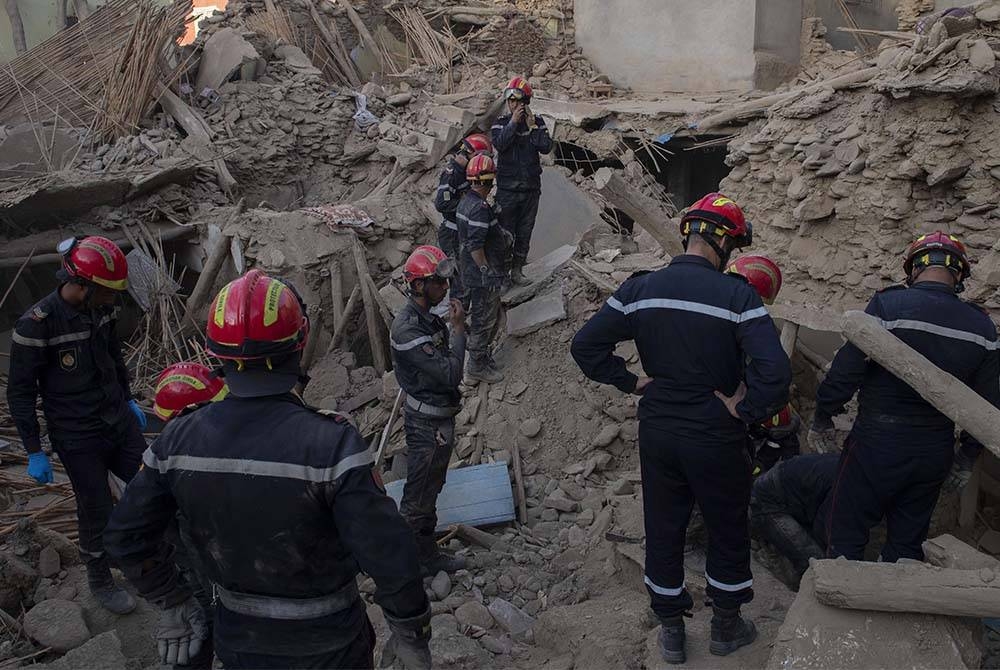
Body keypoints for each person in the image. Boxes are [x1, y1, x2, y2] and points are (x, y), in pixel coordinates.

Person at [104, 270, 431, 670]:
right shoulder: (331, 444)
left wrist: (172, 601)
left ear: (216, 355)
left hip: (240, 643)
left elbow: (124, 538)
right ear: (299, 344)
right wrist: (410, 631)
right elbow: (389, 551)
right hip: (329, 646)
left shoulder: (176, 440)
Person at [571, 194, 790, 664]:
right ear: (726, 243)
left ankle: (671, 631)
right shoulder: (738, 297)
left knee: (663, 525)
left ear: (689, 233)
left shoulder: (641, 288)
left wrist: (631, 382)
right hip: (715, 433)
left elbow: (585, 346)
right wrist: (745, 409)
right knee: (726, 526)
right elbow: (775, 373)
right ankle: (726, 627)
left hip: (659, 430)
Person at [810, 231, 1000, 563]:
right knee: (906, 545)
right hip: (934, 451)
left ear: (914, 268)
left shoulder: (888, 305)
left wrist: (823, 416)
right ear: (959, 274)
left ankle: (840, 594)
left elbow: (845, 372)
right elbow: (987, 402)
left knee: (844, 533)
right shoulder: (981, 327)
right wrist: (967, 457)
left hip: (876, 443)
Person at [7, 235, 145, 615]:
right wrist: (33, 449)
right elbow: (20, 393)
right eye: (107, 290)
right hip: (77, 435)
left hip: (117, 422)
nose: (112, 298)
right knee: (95, 508)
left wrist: (128, 397)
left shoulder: (102, 310)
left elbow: (114, 357)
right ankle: (100, 578)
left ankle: (141, 556)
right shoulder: (36, 325)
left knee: (151, 483)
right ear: (82, 285)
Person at [390, 246, 468, 574]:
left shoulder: (429, 320)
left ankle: (426, 555)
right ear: (419, 285)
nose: (445, 287)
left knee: (430, 490)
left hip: (438, 420)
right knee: (417, 498)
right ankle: (404, 567)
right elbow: (451, 373)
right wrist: (459, 329)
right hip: (426, 425)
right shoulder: (408, 328)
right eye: (439, 282)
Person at [152, 362, 229, 669]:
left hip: (197, 566)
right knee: (202, 624)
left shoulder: (161, 459)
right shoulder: (171, 467)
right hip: (198, 566)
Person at [725, 255, 801, 475]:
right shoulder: (748, 325)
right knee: (783, 419)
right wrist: (747, 410)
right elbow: (772, 372)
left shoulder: (712, 312)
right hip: (731, 406)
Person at [490, 76, 552, 286]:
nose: (514, 105)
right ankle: (501, 277)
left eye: (518, 101)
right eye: (511, 101)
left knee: (524, 233)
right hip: (507, 190)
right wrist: (513, 124)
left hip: (530, 189)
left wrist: (532, 127)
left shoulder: (537, 122)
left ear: (526, 102)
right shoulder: (500, 124)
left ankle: (517, 271)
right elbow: (500, 144)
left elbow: (545, 147)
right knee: (504, 235)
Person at [457, 153, 511, 384]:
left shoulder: (466, 201)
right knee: (484, 320)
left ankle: (481, 359)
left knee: (486, 317)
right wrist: (486, 270)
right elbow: (475, 245)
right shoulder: (479, 208)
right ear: (489, 180)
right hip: (482, 276)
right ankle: (476, 367)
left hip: (471, 271)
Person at [750, 453, 839, 582]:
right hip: (768, 501)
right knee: (817, 564)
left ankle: (777, 544)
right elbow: (824, 527)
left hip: (793, 496)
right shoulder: (847, 484)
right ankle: (772, 554)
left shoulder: (853, 468)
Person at [434, 133, 493, 309]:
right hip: (452, 233)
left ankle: (466, 309)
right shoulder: (451, 174)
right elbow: (441, 204)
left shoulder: (465, 172)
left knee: (467, 274)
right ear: (471, 154)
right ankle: (458, 315)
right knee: (459, 280)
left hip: (461, 231)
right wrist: (467, 206)